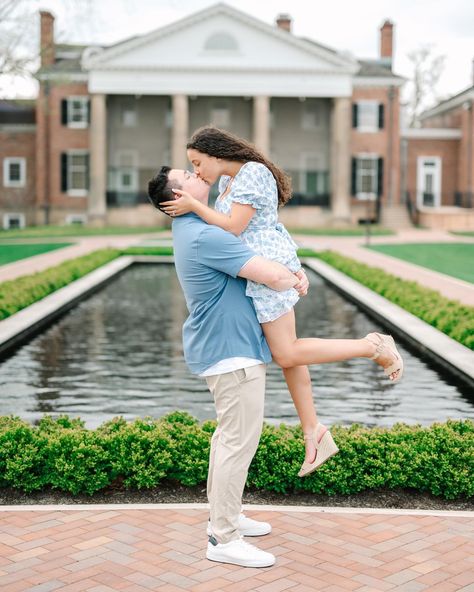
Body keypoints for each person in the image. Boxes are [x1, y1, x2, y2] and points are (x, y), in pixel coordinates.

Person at [160, 126, 404, 478]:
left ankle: (372, 346)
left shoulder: (252, 173)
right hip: (262, 271)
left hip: (267, 273)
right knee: (290, 357)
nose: (198, 171)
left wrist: (195, 203)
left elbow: (232, 228)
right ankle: (314, 432)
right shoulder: (230, 182)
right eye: (193, 167)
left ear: (214, 153)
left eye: (198, 163)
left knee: (287, 353)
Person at [148, 166, 309, 568]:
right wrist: (294, 277)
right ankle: (223, 538)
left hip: (227, 349)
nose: (197, 172)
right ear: (176, 198)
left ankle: (229, 515)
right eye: (188, 173)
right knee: (237, 443)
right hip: (230, 352)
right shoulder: (204, 235)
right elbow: (270, 274)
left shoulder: (197, 228)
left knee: (229, 441)